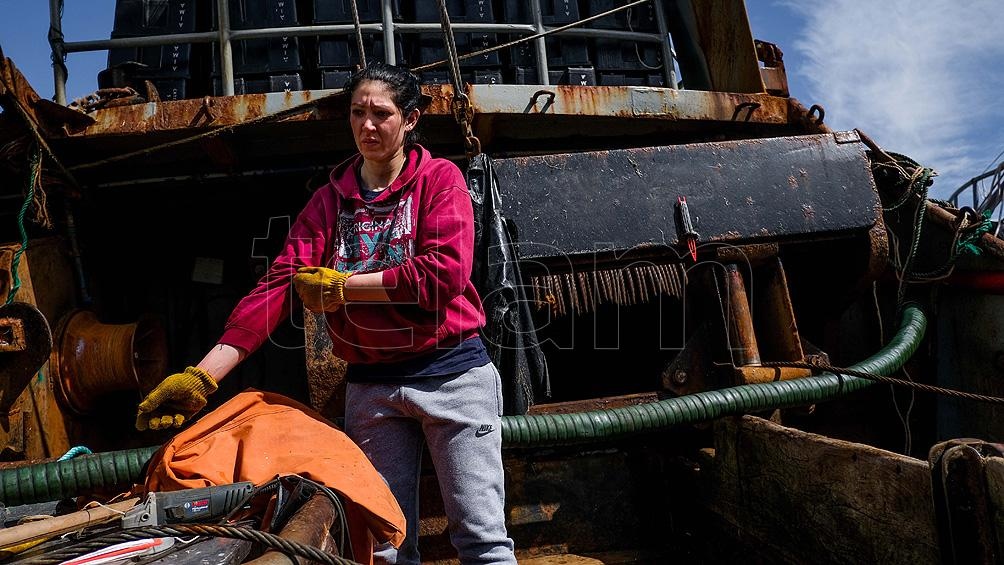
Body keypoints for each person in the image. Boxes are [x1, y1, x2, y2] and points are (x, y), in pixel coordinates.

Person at [135, 63, 517, 565]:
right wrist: (203, 377)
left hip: (453, 376)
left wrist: (345, 289)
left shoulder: (439, 181)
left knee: (482, 541)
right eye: (358, 113)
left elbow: (442, 277)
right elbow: (278, 286)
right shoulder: (328, 202)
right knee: (384, 548)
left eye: (382, 113)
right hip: (372, 389)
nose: (368, 125)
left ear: (411, 120)